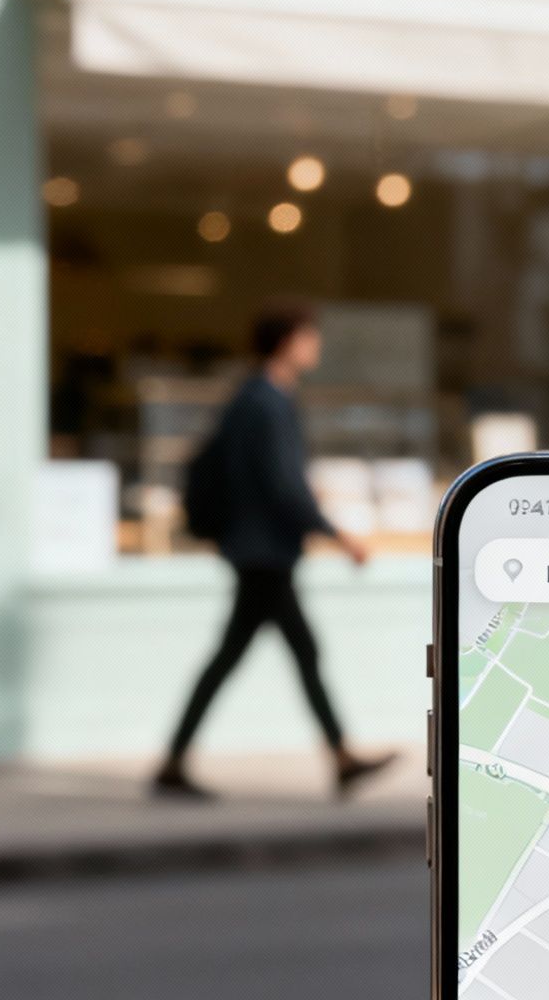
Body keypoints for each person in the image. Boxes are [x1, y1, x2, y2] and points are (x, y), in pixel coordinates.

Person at [153, 304, 397, 800]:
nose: (316, 346)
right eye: (309, 336)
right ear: (288, 341)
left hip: (256, 549)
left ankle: (338, 758)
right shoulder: (267, 401)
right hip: (263, 552)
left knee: (263, 654)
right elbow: (285, 485)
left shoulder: (255, 396)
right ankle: (339, 758)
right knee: (271, 655)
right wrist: (338, 534)